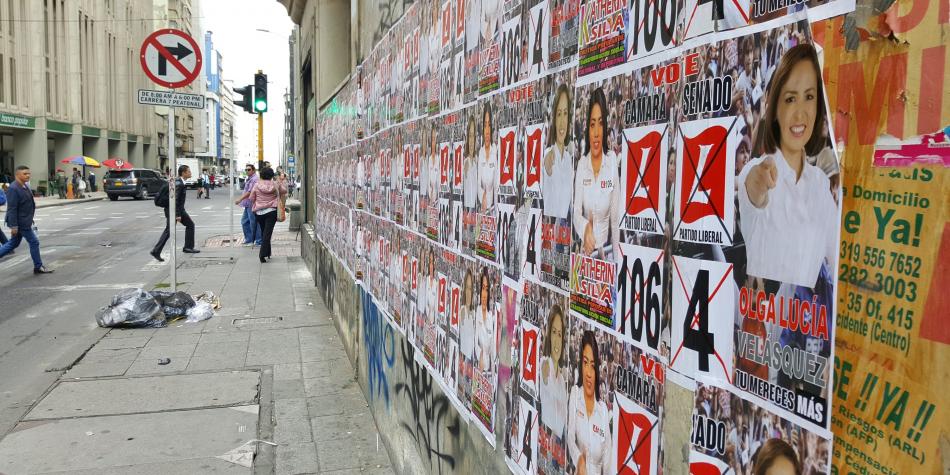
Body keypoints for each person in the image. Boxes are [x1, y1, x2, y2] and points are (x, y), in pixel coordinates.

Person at [739, 43, 837, 288]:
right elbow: (753, 187)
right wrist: (759, 180)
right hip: (766, 320)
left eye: (809, 97)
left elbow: (836, 258)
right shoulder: (759, 168)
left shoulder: (820, 184)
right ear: (774, 109)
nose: (800, 112)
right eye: (791, 98)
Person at [572, 87, 620, 261]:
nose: (597, 132)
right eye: (593, 124)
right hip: (585, 255)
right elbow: (577, 212)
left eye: (601, 123)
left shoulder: (612, 161)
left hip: (606, 256)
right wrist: (585, 228)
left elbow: (615, 222)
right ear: (587, 128)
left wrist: (616, 262)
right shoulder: (582, 165)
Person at [567, 330, 609, 475]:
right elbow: (570, 436)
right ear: (581, 365)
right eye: (585, 363)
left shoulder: (603, 410)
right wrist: (579, 459)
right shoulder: (575, 394)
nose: (589, 373)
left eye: (592, 365)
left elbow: (607, 462)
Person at [0, 166, 53, 274]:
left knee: (13, 244)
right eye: (25, 174)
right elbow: (12, 208)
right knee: (34, 242)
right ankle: (38, 266)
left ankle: (38, 266)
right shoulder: (13, 188)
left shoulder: (25, 185)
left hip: (24, 220)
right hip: (20, 222)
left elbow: (27, 205)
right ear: (17, 175)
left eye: (28, 173)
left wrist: (30, 219)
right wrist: (14, 226)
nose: (28, 175)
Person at [150, 164, 199, 261]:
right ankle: (157, 251)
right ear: (184, 173)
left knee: (186, 226)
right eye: (189, 171)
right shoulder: (179, 184)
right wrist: (177, 215)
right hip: (174, 210)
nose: (190, 173)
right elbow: (175, 200)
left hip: (176, 210)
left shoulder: (179, 182)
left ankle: (187, 247)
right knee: (172, 230)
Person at [543, 83, 574, 220]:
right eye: (559, 114)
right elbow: (547, 164)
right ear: (554, 119)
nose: (562, 122)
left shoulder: (568, 159)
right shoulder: (549, 154)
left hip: (566, 232)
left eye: (565, 114)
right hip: (551, 232)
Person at [539, 303, 569, 440]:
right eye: (553, 332)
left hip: (559, 446)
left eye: (560, 334)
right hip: (546, 440)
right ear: (548, 335)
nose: (557, 340)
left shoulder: (562, 380)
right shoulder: (545, 364)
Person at [247, 167, 286, 263]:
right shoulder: (275, 184)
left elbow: (251, 198)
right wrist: (279, 182)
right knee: (267, 233)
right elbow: (284, 191)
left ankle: (267, 252)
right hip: (271, 211)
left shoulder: (257, 185)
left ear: (261, 175)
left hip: (259, 212)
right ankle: (262, 254)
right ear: (272, 175)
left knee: (264, 232)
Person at [475, 266, 496, 373]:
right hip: (477, 366)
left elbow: (493, 350)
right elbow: (475, 342)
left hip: (488, 372)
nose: (484, 294)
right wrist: (481, 354)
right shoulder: (477, 311)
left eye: (487, 289)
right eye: (483, 288)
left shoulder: (492, 316)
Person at [235, 165, 262, 246]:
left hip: (252, 204)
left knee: (253, 222)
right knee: (245, 222)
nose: (247, 171)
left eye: (249, 169)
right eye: (246, 169)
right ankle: (249, 239)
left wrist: (240, 199)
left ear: (253, 170)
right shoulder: (250, 178)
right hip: (248, 204)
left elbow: (250, 192)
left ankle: (258, 240)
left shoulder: (255, 179)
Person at [477, 103, 497, 213]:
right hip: (483, 207)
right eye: (485, 125)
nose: (487, 131)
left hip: (494, 209)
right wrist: (483, 197)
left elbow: (496, 186)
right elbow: (479, 183)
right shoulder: (480, 153)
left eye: (489, 125)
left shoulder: (496, 151)